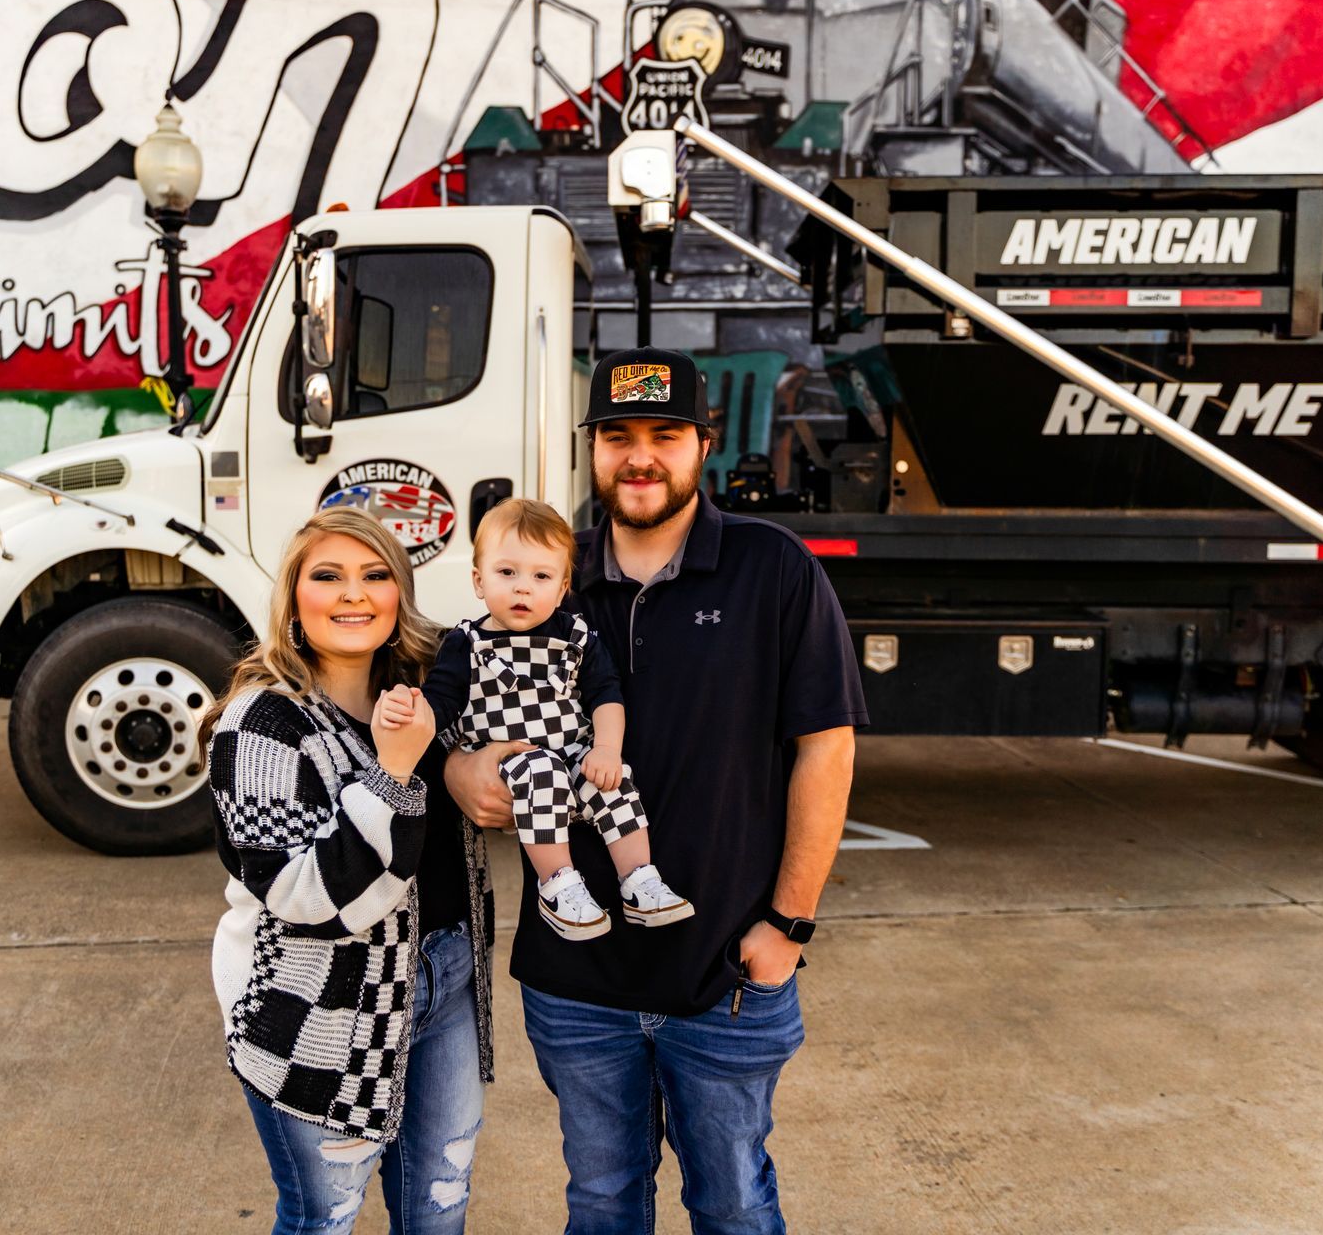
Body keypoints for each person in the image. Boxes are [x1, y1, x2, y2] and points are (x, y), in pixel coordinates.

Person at [446, 347, 869, 1233]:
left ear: (703, 444)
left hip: (727, 976)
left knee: (734, 1206)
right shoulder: (544, 576)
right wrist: (461, 770)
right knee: (601, 1205)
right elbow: (456, 715)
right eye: (617, 435)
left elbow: (826, 753)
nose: (640, 456)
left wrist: (786, 927)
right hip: (577, 980)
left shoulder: (773, 569)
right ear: (590, 449)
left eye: (665, 434)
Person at [203, 506, 495, 1235]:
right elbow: (306, 898)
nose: (353, 595)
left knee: (439, 1207)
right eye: (327, 576)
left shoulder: (427, 692)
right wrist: (393, 772)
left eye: (375, 576)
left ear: (399, 596)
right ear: (294, 600)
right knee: (324, 1219)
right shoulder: (263, 723)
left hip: (445, 979)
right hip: (322, 1010)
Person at [417, 496, 693, 941]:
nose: (523, 588)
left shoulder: (576, 636)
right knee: (539, 767)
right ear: (478, 580)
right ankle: (559, 885)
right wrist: (414, 716)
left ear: (563, 586)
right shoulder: (466, 643)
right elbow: (440, 702)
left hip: (572, 757)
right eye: (507, 573)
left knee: (612, 780)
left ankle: (640, 881)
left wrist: (605, 749)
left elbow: (606, 694)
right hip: (512, 765)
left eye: (541, 576)